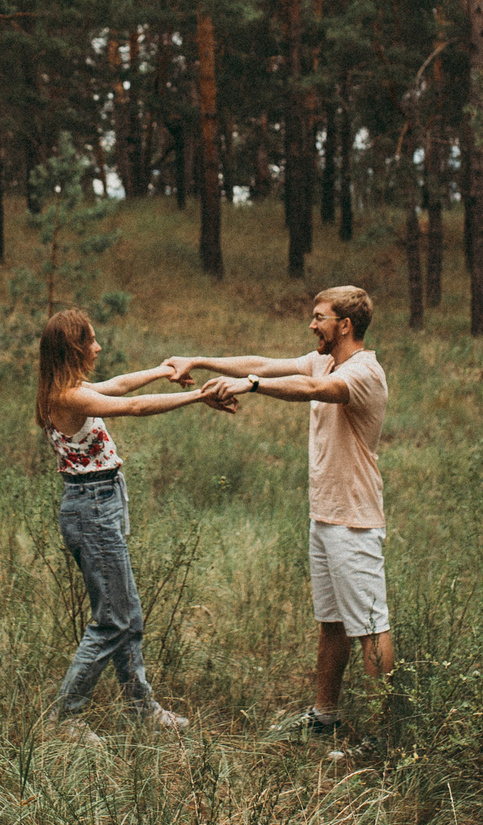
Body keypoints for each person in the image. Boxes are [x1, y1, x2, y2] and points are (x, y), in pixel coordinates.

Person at [170, 286, 390, 744]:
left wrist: (251, 386)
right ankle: (324, 716)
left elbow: (311, 390)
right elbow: (265, 364)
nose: (312, 325)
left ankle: (385, 737)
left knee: (370, 627)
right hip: (325, 515)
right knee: (332, 623)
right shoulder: (323, 361)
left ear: (345, 325)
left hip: (354, 519)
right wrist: (201, 361)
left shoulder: (363, 372)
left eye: (319, 318)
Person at [35, 308, 234, 736]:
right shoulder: (68, 397)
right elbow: (134, 405)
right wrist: (198, 397)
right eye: (90, 341)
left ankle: (141, 709)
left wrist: (163, 370)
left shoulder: (72, 389)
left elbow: (123, 385)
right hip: (91, 509)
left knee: (127, 615)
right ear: (73, 348)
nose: (98, 347)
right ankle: (64, 718)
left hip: (99, 504)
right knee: (113, 620)